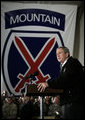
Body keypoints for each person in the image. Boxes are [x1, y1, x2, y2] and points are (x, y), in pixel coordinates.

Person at [37, 46, 84, 119]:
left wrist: (48, 83)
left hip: (74, 103)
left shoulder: (72, 63)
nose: (57, 55)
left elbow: (65, 79)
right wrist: (58, 95)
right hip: (68, 102)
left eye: (60, 53)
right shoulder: (63, 65)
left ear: (67, 54)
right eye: (56, 54)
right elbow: (64, 83)